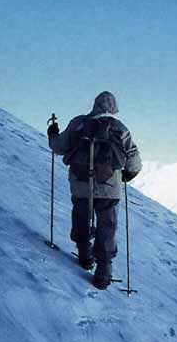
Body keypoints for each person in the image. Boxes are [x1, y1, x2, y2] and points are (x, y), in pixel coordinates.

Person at [47, 91, 142, 290]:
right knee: (107, 226)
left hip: (81, 184)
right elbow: (133, 158)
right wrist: (128, 174)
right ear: (113, 108)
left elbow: (59, 146)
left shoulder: (78, 124)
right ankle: (103, 271)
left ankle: (85, 255)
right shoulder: (119, 128)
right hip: (109, 187)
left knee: (81, 216)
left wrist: (53, 133)